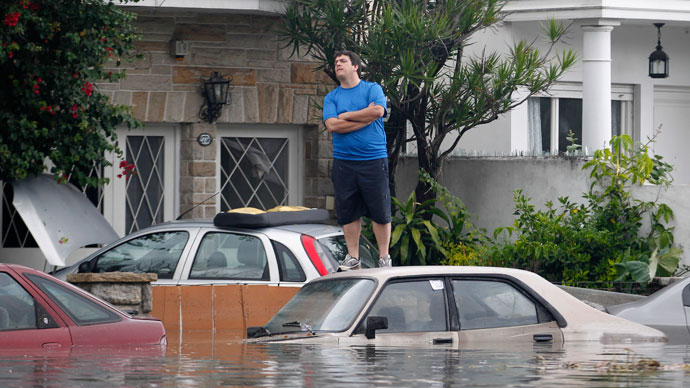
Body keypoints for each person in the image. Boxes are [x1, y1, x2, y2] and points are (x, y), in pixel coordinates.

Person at [322, 50, 392, 271]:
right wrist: (364, 117)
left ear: (355, 66)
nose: (338, 65)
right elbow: (332, 125)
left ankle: (384, 257)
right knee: (348, 211)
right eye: (336, 62)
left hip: (373, 159)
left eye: (343, 61)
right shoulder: (332, 97)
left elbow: (379, 111)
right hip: (344, 162)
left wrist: (345, 115)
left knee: (380, 211)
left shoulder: (372, 89)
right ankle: (353, 257)